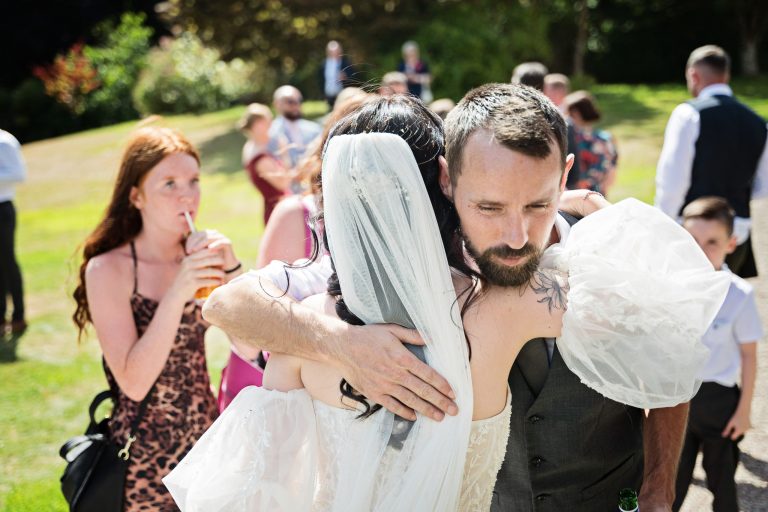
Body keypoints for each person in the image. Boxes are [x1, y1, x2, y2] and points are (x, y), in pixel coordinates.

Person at [165, 92, 725, 511]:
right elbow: (228, 304)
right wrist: (341, 341)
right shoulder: (402, 273)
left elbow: (669, 360)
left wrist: (658, 486)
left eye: (536, 204)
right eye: (489, 207)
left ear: (565, 178)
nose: (513, 233)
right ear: (447, 182)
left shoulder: (606, 246)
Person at [72, 127, 244, 511]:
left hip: (207, 444)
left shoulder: (200, 257)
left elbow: (252, 347)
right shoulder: (108, 270)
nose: (187, 195)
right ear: (136, 196)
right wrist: (178, 291)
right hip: (144, 457)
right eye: (169, 183)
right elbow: (133, 382)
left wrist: (232, 269)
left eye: (193, 181)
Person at [673, 197, 762, 512]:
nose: (701, 250)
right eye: (693, 241)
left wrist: (743, 411)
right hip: (677, 400)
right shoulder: (671, 289)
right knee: (670, 484)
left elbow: (749, 356)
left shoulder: (739, 295)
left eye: (712, 242)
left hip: (720, 404)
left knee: (722, 483)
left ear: (731, 243)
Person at [655, 44, 768, 278]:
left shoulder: (688, 114)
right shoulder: (757, 122)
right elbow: (762, 187)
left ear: (693, 75)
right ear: (725, 75)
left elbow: (672, 182)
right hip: (735, 236)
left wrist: (661, 229)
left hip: (694, 237)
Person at [238, 103, 295, 224]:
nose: (271, 130)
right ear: (258, 125)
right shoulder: (260, 159)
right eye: (268, 124)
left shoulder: (249, 148)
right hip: (280, 212)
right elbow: (284, 183)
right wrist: (285, 153)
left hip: (275, 208)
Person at [564, 90, 619, 195]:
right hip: (599, 195)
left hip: (574, 195)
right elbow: (611, 174)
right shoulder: (606, 139)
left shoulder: (571, 139)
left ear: (575, 113)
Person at [0, 129, 26, 335]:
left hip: (2, 208)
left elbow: (18, 174)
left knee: (7, 261)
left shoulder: (5, 141)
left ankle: (19, 316)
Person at [267, 85, 322, 172]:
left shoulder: (314, 129)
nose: (296, 104)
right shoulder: (270, 133)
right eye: (290, 101)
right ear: (277, 104)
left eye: (299, 100)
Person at [318, 40, 357, 108]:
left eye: (336, 51)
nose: (334, 54)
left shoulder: (346, 63)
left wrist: (345, 78)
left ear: (340, 51)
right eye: (332, 52)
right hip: (329, 96)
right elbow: (321, 80)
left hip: (343, 95)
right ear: (328, 52)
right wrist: (323, 95)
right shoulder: (324, 64)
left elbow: (354, 78)